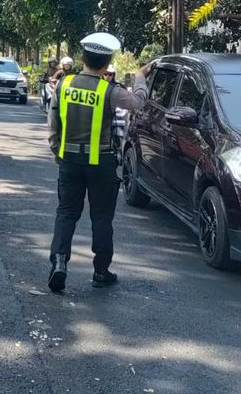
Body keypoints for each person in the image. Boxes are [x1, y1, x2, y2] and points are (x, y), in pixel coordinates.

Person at [47, 33, 148, 293]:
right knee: (101, 218)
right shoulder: (109, 90)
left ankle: (59, 262)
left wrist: (56, 149)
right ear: (107, 63)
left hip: (69, 160)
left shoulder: (64, 85)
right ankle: (101, 271)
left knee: (66, 213)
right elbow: (138, 103)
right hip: (101, 163)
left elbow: (53, 120)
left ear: (82, 58)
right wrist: (139, 77)